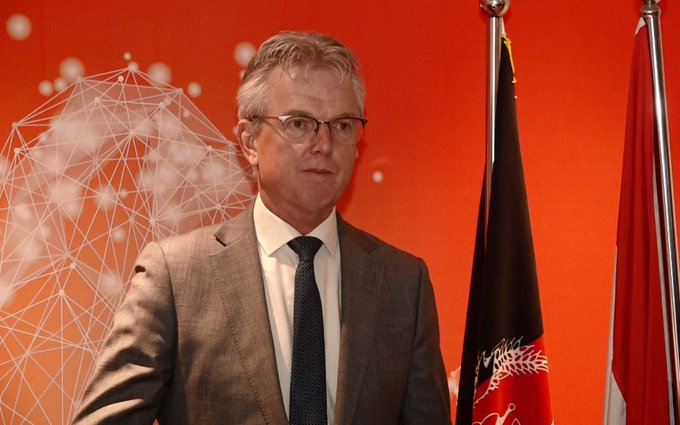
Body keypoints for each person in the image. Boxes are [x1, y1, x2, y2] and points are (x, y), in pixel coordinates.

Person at [73, 31, 451, 425]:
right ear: (249, 141)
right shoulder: (175, 275)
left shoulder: (403, 282)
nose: (324, 144)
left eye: (342, 125)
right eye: (299, 123)